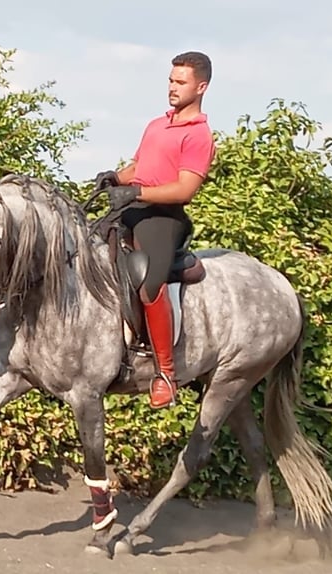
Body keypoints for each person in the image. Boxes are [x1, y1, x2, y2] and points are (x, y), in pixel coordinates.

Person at [94, 51, 215, 409]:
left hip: (164, 218)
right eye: (170, 80)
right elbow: (139, 166)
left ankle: (165, 373)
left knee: (149, 284)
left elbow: (185, 189)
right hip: (132, 209)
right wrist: (117, 177)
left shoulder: (199, 135)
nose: (172, 88)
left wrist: (138, 191)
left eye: (180, 82)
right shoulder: (155, 125)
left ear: (201, 86)